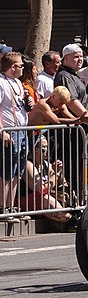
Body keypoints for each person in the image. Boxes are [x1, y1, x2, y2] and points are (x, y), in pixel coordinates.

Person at [0, 51, 28, 213]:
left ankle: (11, 206)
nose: (23, 68)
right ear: (12, 67)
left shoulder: (17, 82)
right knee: (7, 171)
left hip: (22, 131)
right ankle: (2, 206)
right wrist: (2, 131)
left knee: (18, 170)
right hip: (10, 132)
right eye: (20, 65)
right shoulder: (1, 83)